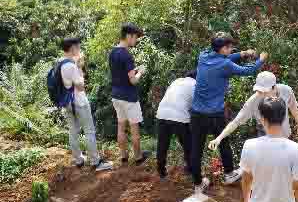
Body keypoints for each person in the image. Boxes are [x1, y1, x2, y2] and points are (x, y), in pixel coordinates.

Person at [191, 32, 267, 193]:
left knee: (196, 148)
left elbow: (224, 59)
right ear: (223, 49)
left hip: (197, 112)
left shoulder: (203, 56)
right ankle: (229, 174)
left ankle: (198, 184)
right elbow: (248, 70)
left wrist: (242, 54)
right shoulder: (225, 65)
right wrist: (260, 59)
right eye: (230, 47)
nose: (232, 49)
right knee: (223, 140)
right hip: (214, 113)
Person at [240, 97, 298, 202]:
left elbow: (246, 179)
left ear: (262, 119)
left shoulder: (249, 146)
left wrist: (246, 200)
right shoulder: (295, 150)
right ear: (284, 117)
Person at [208, 71, 298, 151]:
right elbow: (236, 122)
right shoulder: (253, 101)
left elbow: (293, 107)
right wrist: (219, 138)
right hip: (265, 135)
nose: (261, 94)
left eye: (264, 91)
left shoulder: (286, 90)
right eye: (259, 91)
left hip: (284, 134)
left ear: (274, 87)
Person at [59, 38, 113, 171]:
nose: (79, 50)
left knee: (73, 131)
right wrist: (80, 67)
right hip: (79, 102)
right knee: (89, 130)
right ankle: (96, 162)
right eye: (78, 47)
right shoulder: (71, 66)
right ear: (72, 48)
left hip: (67, 103)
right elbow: (81, 86)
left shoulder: (59, 62)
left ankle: (78, 159)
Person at [109, 23, 149, 166]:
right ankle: (138, 157)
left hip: (116, 95)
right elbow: (133, 81)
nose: (136, 40)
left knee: (120, 126)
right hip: (129, 98)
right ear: (129, 36)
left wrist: (134, 69)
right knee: (134, 128)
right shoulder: (126, 54)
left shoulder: (113, 52)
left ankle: (124, 156)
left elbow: (119, 73)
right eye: (135, 37)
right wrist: (140, 72)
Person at [155, 70, 197, 180]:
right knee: (188, 144)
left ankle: (161, 171)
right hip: (179, 116)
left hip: (162, 113)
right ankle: (191, 169)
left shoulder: (177, 81)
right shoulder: (195, 84)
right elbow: (195, 106)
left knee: (163, 144)